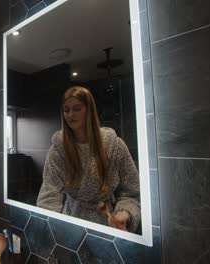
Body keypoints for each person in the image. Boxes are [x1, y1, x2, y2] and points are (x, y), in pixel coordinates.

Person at [36, 86, 140, 232]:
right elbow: (49, 195)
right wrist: (54, 227)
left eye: (77, 109)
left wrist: (124, 213)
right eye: (66, 110)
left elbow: (132, 192)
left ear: (89, 110)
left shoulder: (114, 145)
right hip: (72, 222)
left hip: (107, 223)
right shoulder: (58, 150)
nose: (70, 114)